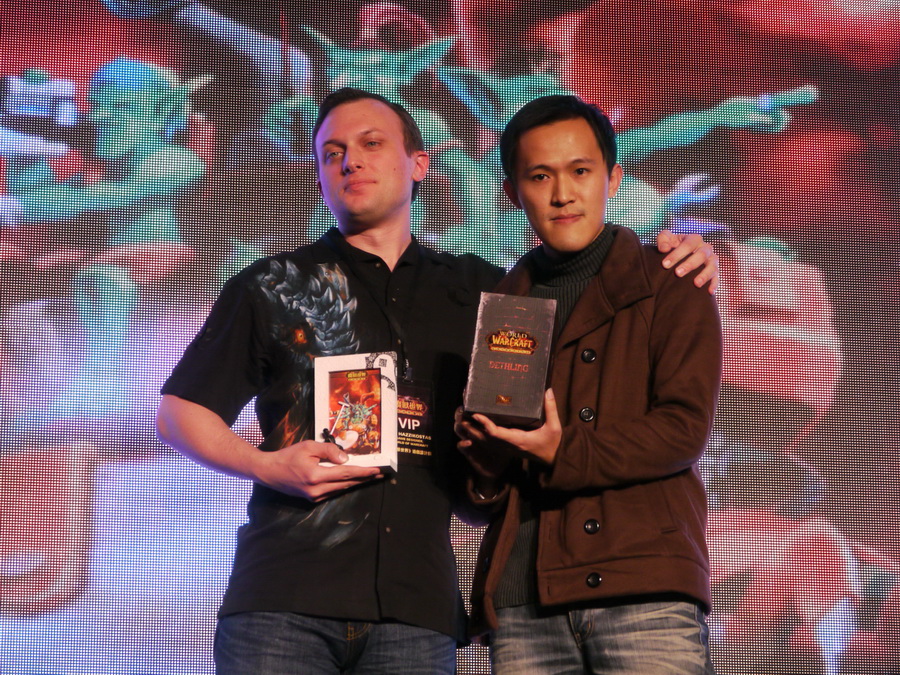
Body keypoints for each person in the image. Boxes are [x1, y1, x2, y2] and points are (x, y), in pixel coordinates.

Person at [156, 87, 719, 674]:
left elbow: (582, 284)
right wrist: (267, 465)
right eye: (332, 153)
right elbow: (178, 412)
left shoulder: (490, 295)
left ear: (418, 164)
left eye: (372, 144)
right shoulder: (272, 284)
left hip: (416, 611)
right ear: (319, 176)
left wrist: (679, 253)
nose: (351, 162)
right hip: (283, 598)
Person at [457, 94, 723, 674]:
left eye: (580, 171)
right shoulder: (502, 307)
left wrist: (564, 451)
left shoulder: (672, 279)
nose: (563, 193)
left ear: (613, 178)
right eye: (540, 176)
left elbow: (683, 429)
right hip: (523, 602)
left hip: (642, 590)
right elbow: (487, 490)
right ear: (512, 193)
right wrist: (483, 452)